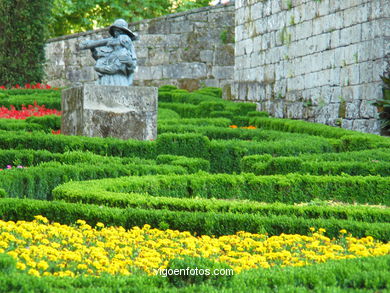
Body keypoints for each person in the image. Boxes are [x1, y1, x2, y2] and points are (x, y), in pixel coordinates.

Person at [80, 19, 137, 86]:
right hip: (105, 79)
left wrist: (129, 62)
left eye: (119, 31)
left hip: (119, 79)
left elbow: (132, 67)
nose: (116, 33)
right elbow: (100, 59)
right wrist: (92, 49)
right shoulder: (109, 44)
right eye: (115, 31)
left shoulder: (127, 48)